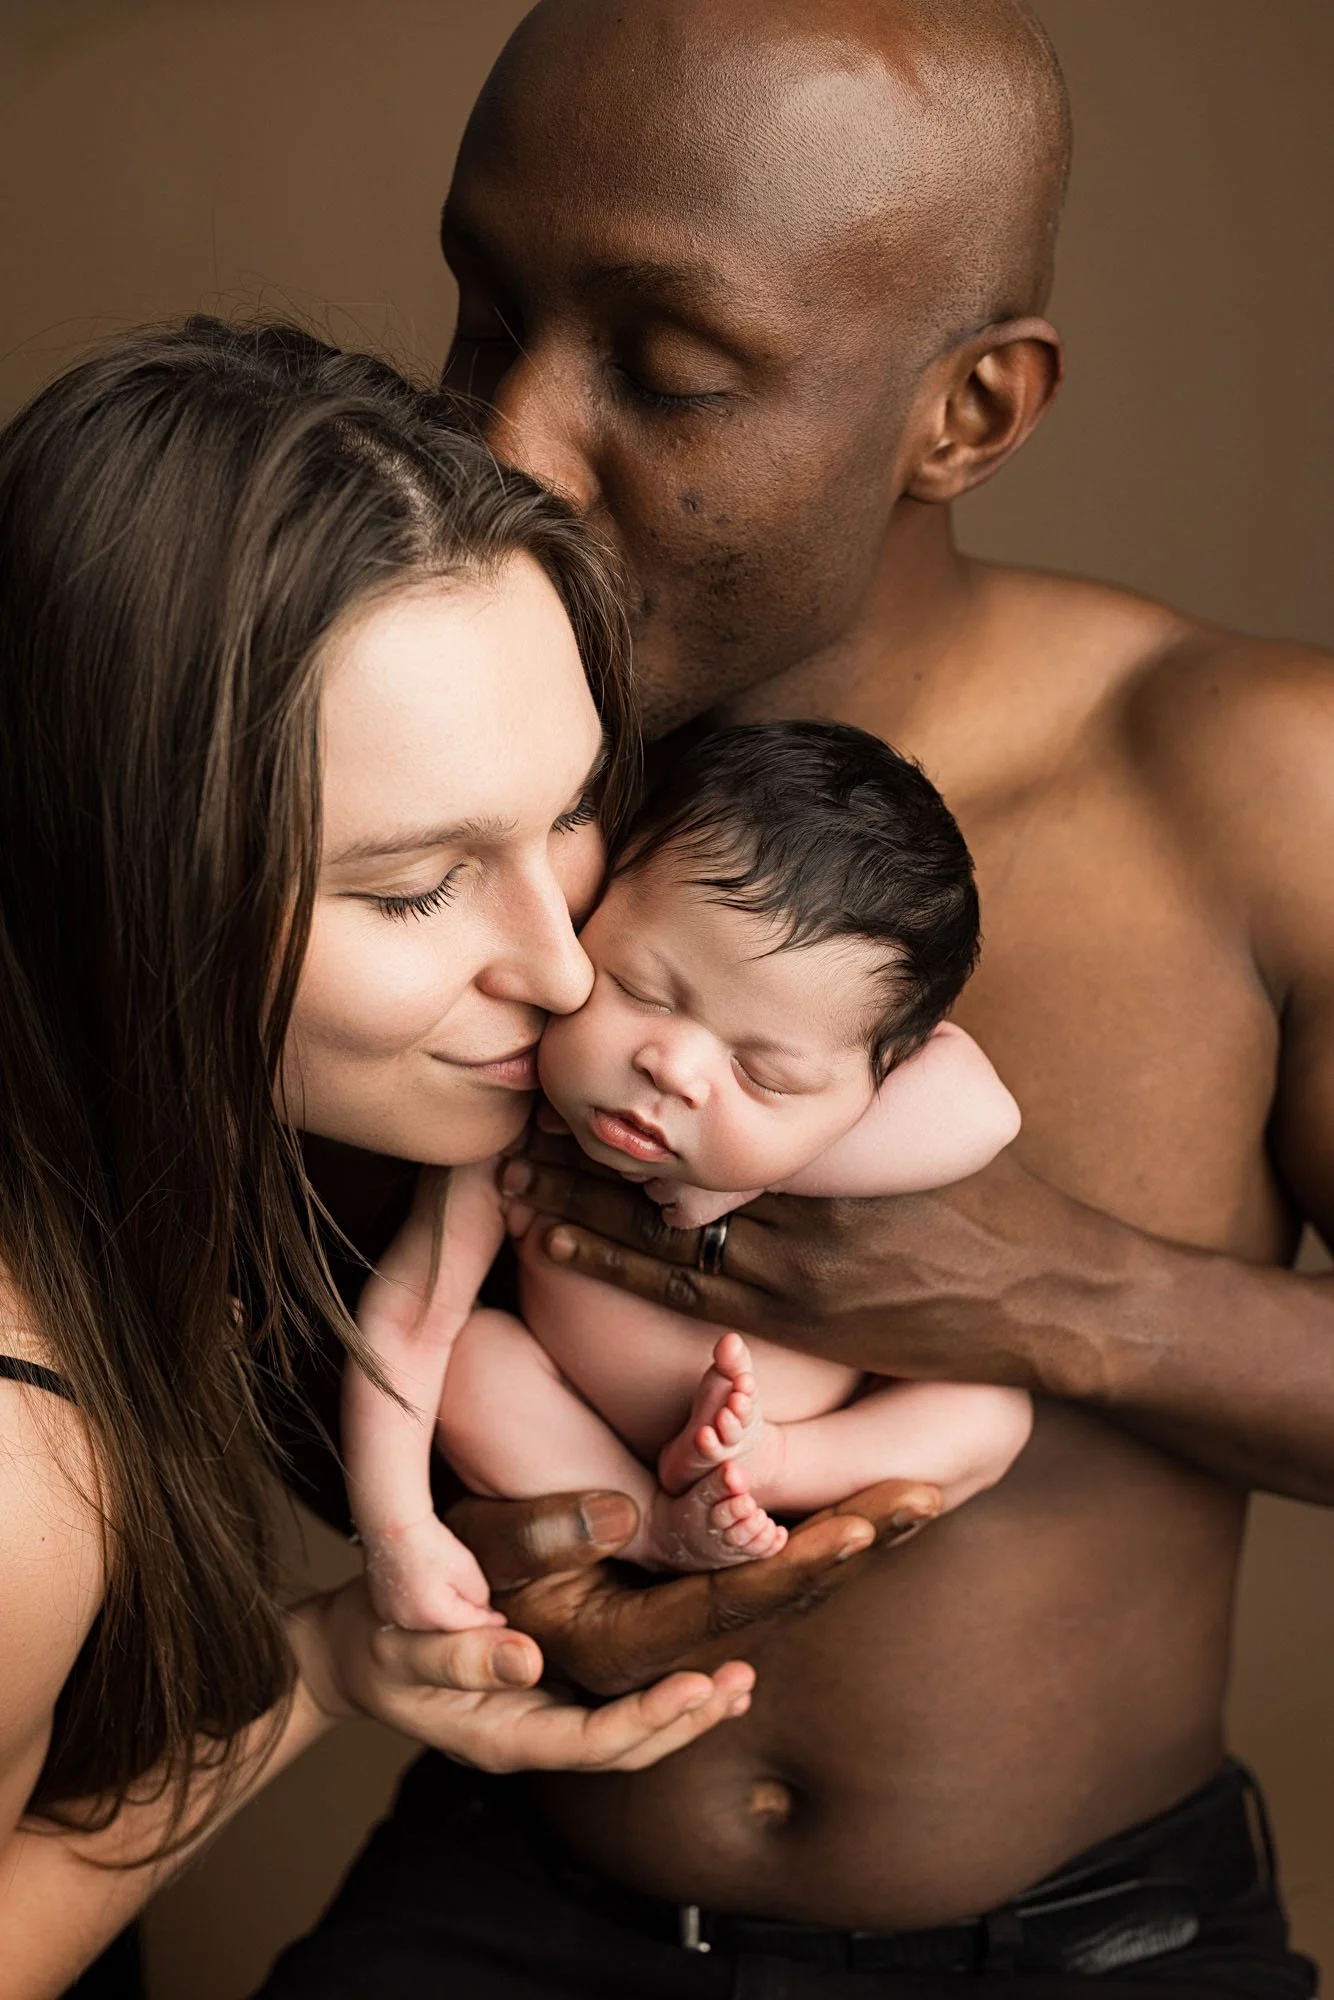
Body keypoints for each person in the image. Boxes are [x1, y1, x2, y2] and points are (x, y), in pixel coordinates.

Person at [255, 0, 1332, 1994]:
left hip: (1090, 1948)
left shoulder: (1257, 784)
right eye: (484, 320)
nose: (504, 443)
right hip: (509, 1888)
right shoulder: (419, 784)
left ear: (970, 412)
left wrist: (1073, 1299)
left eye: (669, 371)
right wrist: (500, 1514)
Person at [1, 314, 933, 1999]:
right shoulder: (12, 1483)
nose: (563, 966)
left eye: (572, 812)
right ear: (110, 879)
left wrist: (339, 1664)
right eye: (412, 887)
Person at [347, 719, 1028, 1619]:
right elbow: (408, 1324)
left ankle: (772, 1466)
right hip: (591, 1446)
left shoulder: (866, 1108)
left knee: (991, 1408)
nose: (674, 1068)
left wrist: (753, 1172)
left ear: (880, 1080)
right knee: (472, 1359)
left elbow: (989, 1113)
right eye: (640, 989)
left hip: (815, 1435)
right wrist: (400, 1535)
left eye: (763, 1073)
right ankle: (655, 1528)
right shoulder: (506, 1134)